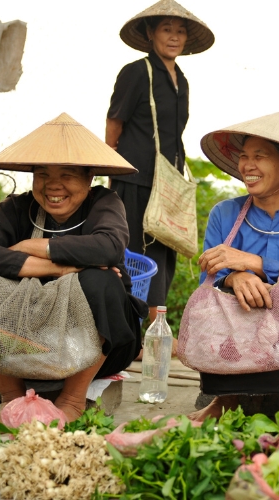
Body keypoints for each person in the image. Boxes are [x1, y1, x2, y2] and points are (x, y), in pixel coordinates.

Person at [0, 113, 147, 422]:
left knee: (102, 282)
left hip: (100, 348)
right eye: (43, 174)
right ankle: (12, 395)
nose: (53, 185)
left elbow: (108, 247)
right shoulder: (16, 208)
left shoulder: (104, 203)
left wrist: (29, 246)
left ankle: (72, 400)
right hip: (26, 344)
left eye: (67, 174)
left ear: (89, 179)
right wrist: (61, 270)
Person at [187, 111, 279, 422]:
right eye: (244, 156)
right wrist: (234, 278)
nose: (248, 165)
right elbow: (209, 277)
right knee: (216, 299)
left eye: (260, 156)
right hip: (241, 325)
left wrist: (254, 263)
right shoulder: (223, 213)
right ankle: (225, 398)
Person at [106, 0, 213, 324]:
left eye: (180, 31)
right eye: (167, 29)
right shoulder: (137, 72)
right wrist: (112, 171)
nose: (174, 36)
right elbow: (115, 122)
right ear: (150, 33)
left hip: (168, 184)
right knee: (134, 255)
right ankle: (128, 331)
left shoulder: (182, 80)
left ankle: (156, 330)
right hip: (135, 179)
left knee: (164, 254)